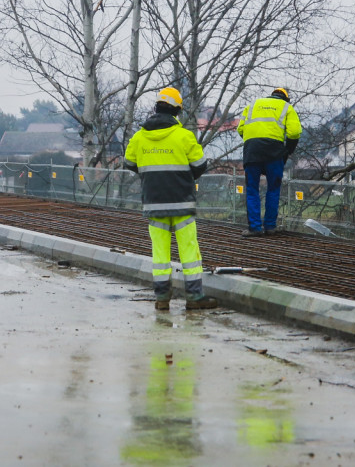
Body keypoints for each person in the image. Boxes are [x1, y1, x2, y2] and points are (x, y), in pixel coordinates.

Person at [124, 87, 218, 311]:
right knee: (189, 251)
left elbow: (129, 163)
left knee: (160, 253)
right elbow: (200, 165)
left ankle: (162, 299)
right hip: (182, 203)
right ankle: (195, 298)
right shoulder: (184, 136)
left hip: (154, 203)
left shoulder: (139, 137)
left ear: (156, 108)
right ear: (177, 111)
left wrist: (150, 174)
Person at [237, 87, 302, 237]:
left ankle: (255, 228)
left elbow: (240, 129)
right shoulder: (287, 107)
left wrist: (254, 143)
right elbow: (294, 132)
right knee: (273, 189)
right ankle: (270, 227)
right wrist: (287, 151)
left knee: (252, 189)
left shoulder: (252, 105)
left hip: (252, 151)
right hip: (274, 152)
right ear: (285, 98)